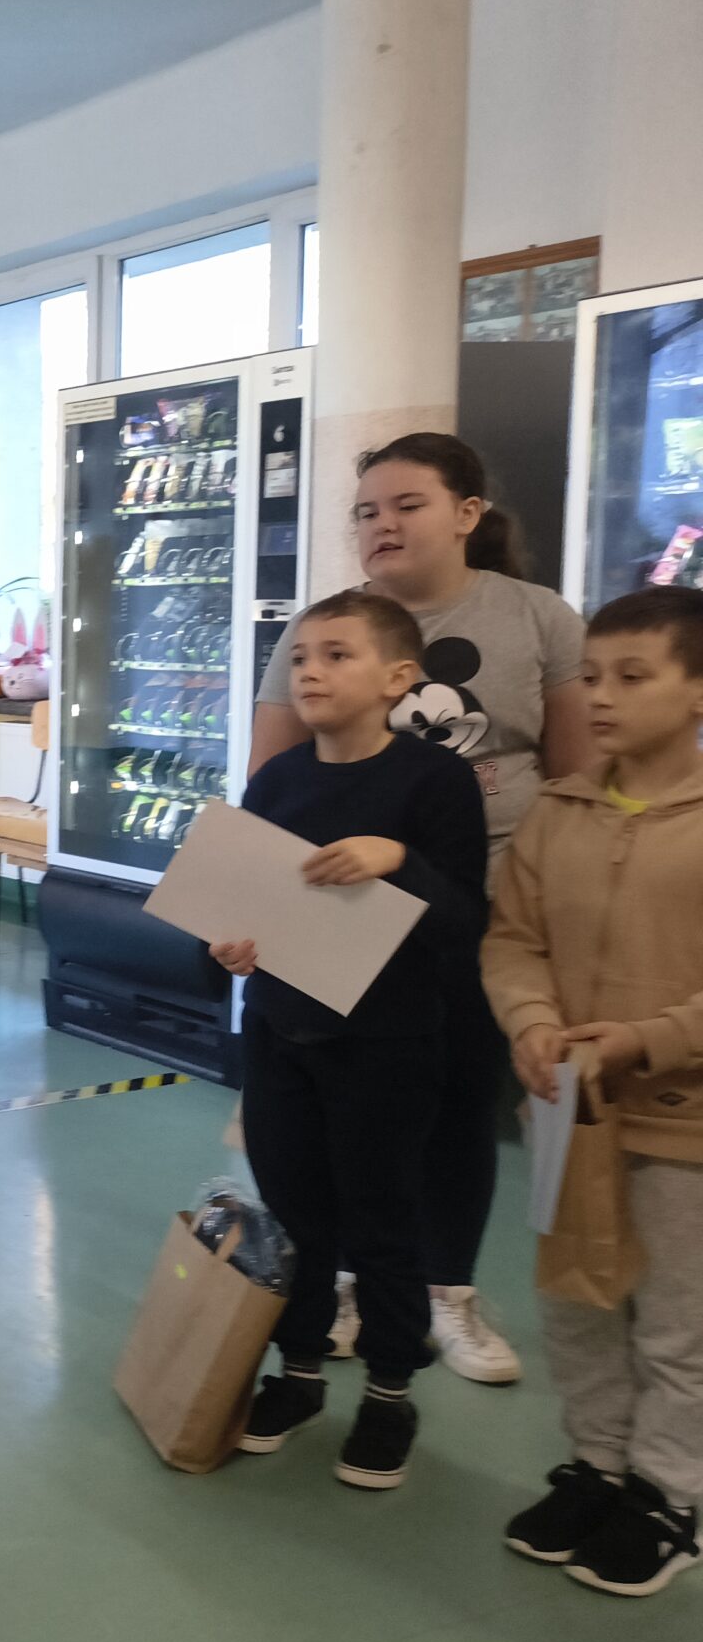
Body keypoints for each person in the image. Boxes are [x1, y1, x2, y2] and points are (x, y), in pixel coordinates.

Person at [249, 434, 596, 1383]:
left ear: (467, 514)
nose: (383, 525)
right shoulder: (323, 628)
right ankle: (354, 1285)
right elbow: (271, 788)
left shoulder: (536, 616)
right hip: (340, 915)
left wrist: (561, 912)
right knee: (344, 1115)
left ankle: (449, 1292)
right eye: (366, 511)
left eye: (407, 505)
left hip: (486, 907)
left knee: (458, 1104)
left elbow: (576, 773)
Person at [215, 591, 489, 1491]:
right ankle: (297, 1375)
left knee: (381, 1218)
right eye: (301, 657)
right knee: (295, 1214)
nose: (311, 672)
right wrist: (231, 945)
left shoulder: (433, 783)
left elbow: (464, 919)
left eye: (337, 655)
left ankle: (388, 1392)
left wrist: (397, 860)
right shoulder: (278, 782)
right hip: (280, 1032)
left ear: (398, 678)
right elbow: (247, 906)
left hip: (388, 1042)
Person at [485, 585, 703, 1597]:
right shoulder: (558, 811)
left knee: (675, 1320)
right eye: (592, 677)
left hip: (683, 1124)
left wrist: (648, 1040)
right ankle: (598, 1464)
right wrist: (531, 1022)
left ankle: (669, 1492)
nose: (600, 697)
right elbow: (513, 940)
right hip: (566, 1112)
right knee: (576, 1299)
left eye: (632, 677)